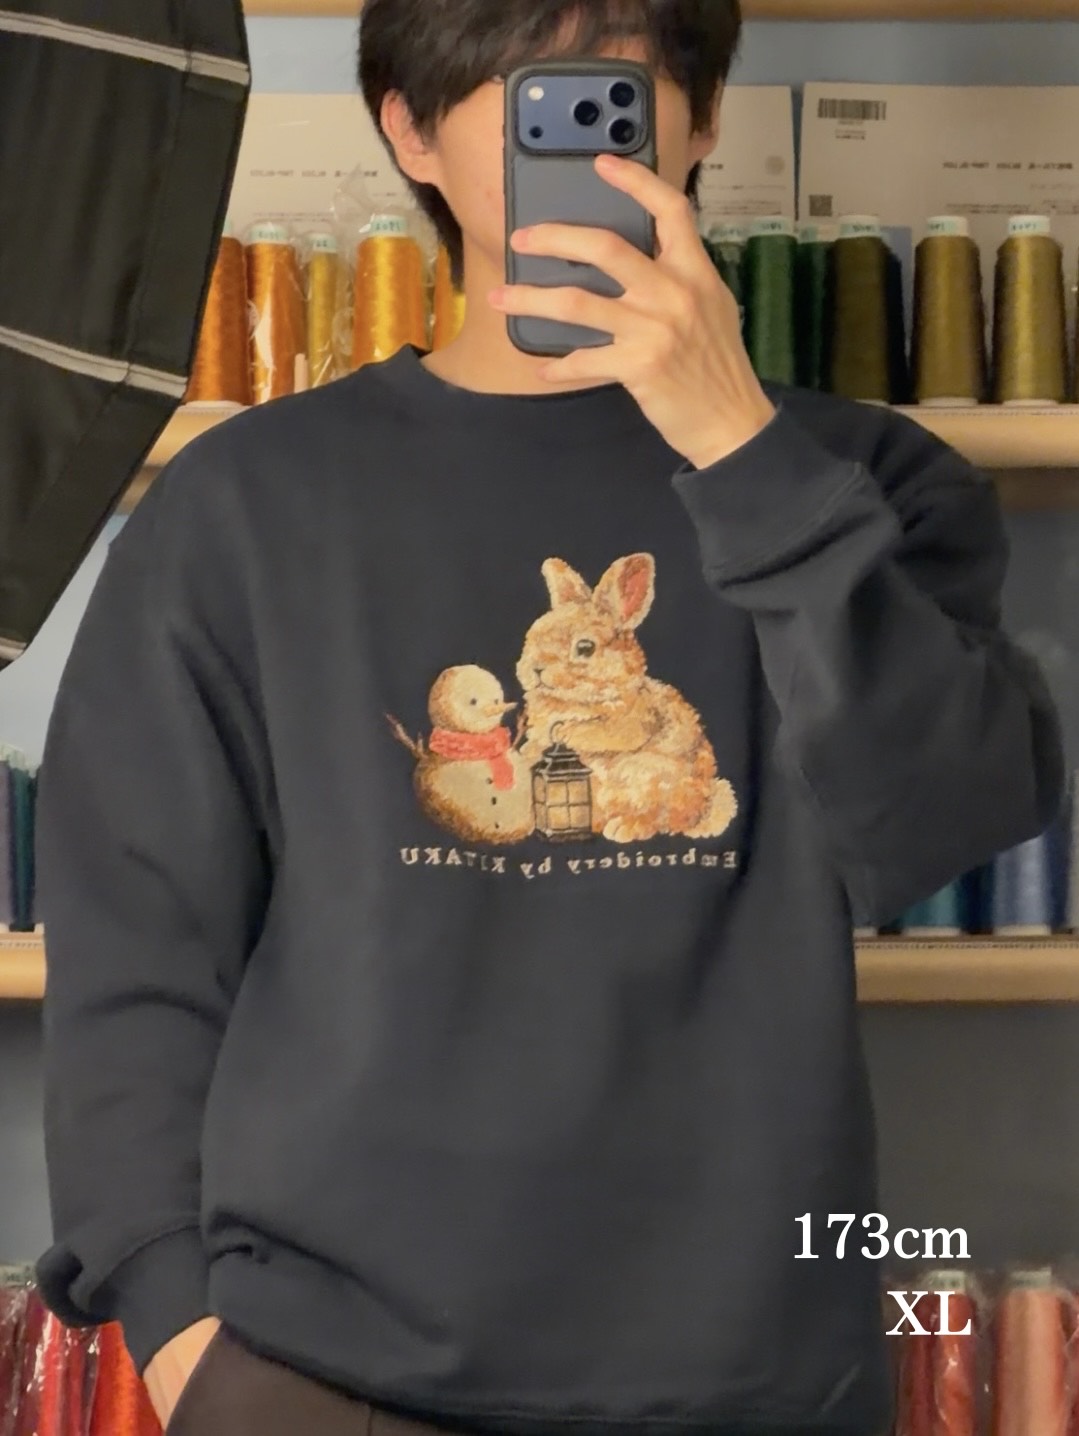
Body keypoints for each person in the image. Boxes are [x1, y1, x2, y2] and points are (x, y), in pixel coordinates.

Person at [35, 0, 1064, 1433]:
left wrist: (739, 451)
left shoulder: (867, 484)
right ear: (409, 131)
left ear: (700, 118)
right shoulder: (243, 507)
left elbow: (940, 823)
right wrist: (184, 1336)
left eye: (614, 81)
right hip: (318, 1379)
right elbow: (134, 951)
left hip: (757, 1388)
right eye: (519, 86)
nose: (573, 130)